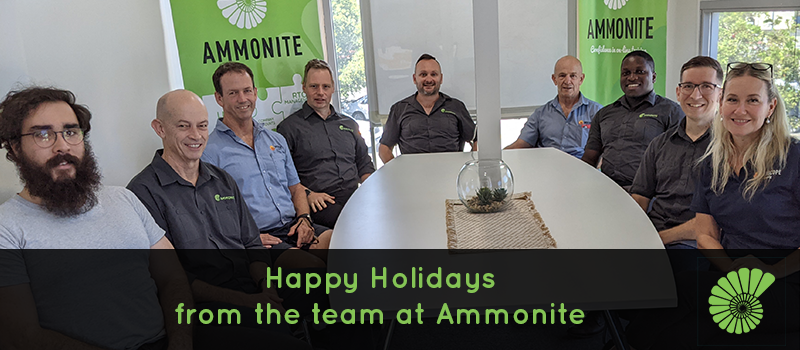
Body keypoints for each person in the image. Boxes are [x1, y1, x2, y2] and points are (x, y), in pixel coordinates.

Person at [623, 62, 800, 349]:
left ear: (770, 107)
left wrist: (770, 272)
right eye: (732, 99)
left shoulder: (793, 158)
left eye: (752, 100)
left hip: (786, 281)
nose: (739, 110)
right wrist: (732, 271)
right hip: (730, 278)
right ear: (722, 102)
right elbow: (705, 235)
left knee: (679, 290)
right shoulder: (711, 163)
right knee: (670, 336)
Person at [0, 87, 193, 350]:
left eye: (71, 131)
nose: (63, 146)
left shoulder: (123, 199)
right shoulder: (7, 226)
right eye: (42, 134)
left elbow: (173, 278)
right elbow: (23, 336)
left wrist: (181, 343)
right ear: (15, 147)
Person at [126, 89, 315, 348]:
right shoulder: (143, 192)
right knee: (282, 336)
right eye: (184, 126)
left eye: (202, 126)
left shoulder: (222, 180)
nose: (196, 136)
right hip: (202, 304)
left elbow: (252, 244)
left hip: (250, 284)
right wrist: (249, 301)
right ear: (160, 128)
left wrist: (266, 288)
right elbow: (173, 278)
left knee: (331, 290)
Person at [202, 62, 332, 250]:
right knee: (307, 268)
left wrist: (304, 219)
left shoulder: (276, 139)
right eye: (233, 93)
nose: (242, 98)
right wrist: (246, 237)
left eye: (247, 91)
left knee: (344, 244)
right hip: (258, 238)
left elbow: (295, 189)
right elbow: (211, 210)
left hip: (293, 226)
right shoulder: (209, 151)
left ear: (255, 93)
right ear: (219, 98)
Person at [630, 56, 722, 252]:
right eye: (688, 86)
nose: (696, 95)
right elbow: (639, 199)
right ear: (678, 92)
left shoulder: (730, 148)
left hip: (694, 246)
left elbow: (707, 226)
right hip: (652, 236)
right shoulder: (659, 144)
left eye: (706, 86)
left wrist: (656, 239)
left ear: (720, 94)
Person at [277, 59, 374, 228]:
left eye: (325, 87)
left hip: (355, 195)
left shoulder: (350, 124)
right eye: (314, 86)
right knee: (354, 225)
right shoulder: (289, 128)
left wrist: (371, 190)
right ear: (304, 87)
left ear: (333, 88)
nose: (320, 92)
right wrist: (308, 194)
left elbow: (364, 164)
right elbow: (282, 176)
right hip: (319, 201)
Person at [582, 50, 685, 190]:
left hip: (650, 196)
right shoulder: (604, 114)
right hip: (606, 191)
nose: (631, 77)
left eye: (640, 72)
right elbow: (589, 159)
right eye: (626, 73)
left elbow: (677, 164)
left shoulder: (671, 112)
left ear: (653, 77)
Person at [379, 53, 477, 163]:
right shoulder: (399, 109)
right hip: (412, 176)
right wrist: (398, 174)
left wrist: (470, 168)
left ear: (441, 78)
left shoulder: (456, 107)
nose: (429, 79)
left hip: (450, 175)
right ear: (415, 78)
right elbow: (384, 149)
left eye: (434, 74)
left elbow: (476, 140)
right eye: (423, 74)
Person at [505, 55, 602, 158]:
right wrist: (498, 158)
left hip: (583, 171)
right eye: (562, 75)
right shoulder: (540, 114)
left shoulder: (597, 112)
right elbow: (521, 145)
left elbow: (607, 148)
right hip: (548, 170)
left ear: (581, 79)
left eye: (573, 76)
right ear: (554, 79)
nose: (567, 81)